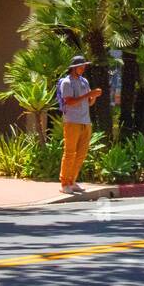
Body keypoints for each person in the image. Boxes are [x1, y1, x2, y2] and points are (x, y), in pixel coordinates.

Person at [57, 55, 101, 194]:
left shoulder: (84, 81)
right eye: (81, 66)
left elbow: (89, 102)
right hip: (72, 122)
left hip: (85, 122)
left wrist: (93, 96)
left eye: (84, 66)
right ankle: (64, 183)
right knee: (70, 153)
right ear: (74, 68)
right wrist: (88, 95)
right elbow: (69, 101)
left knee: (81, 154)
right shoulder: (66, 82)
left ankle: (72, 180)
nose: (83, 68)